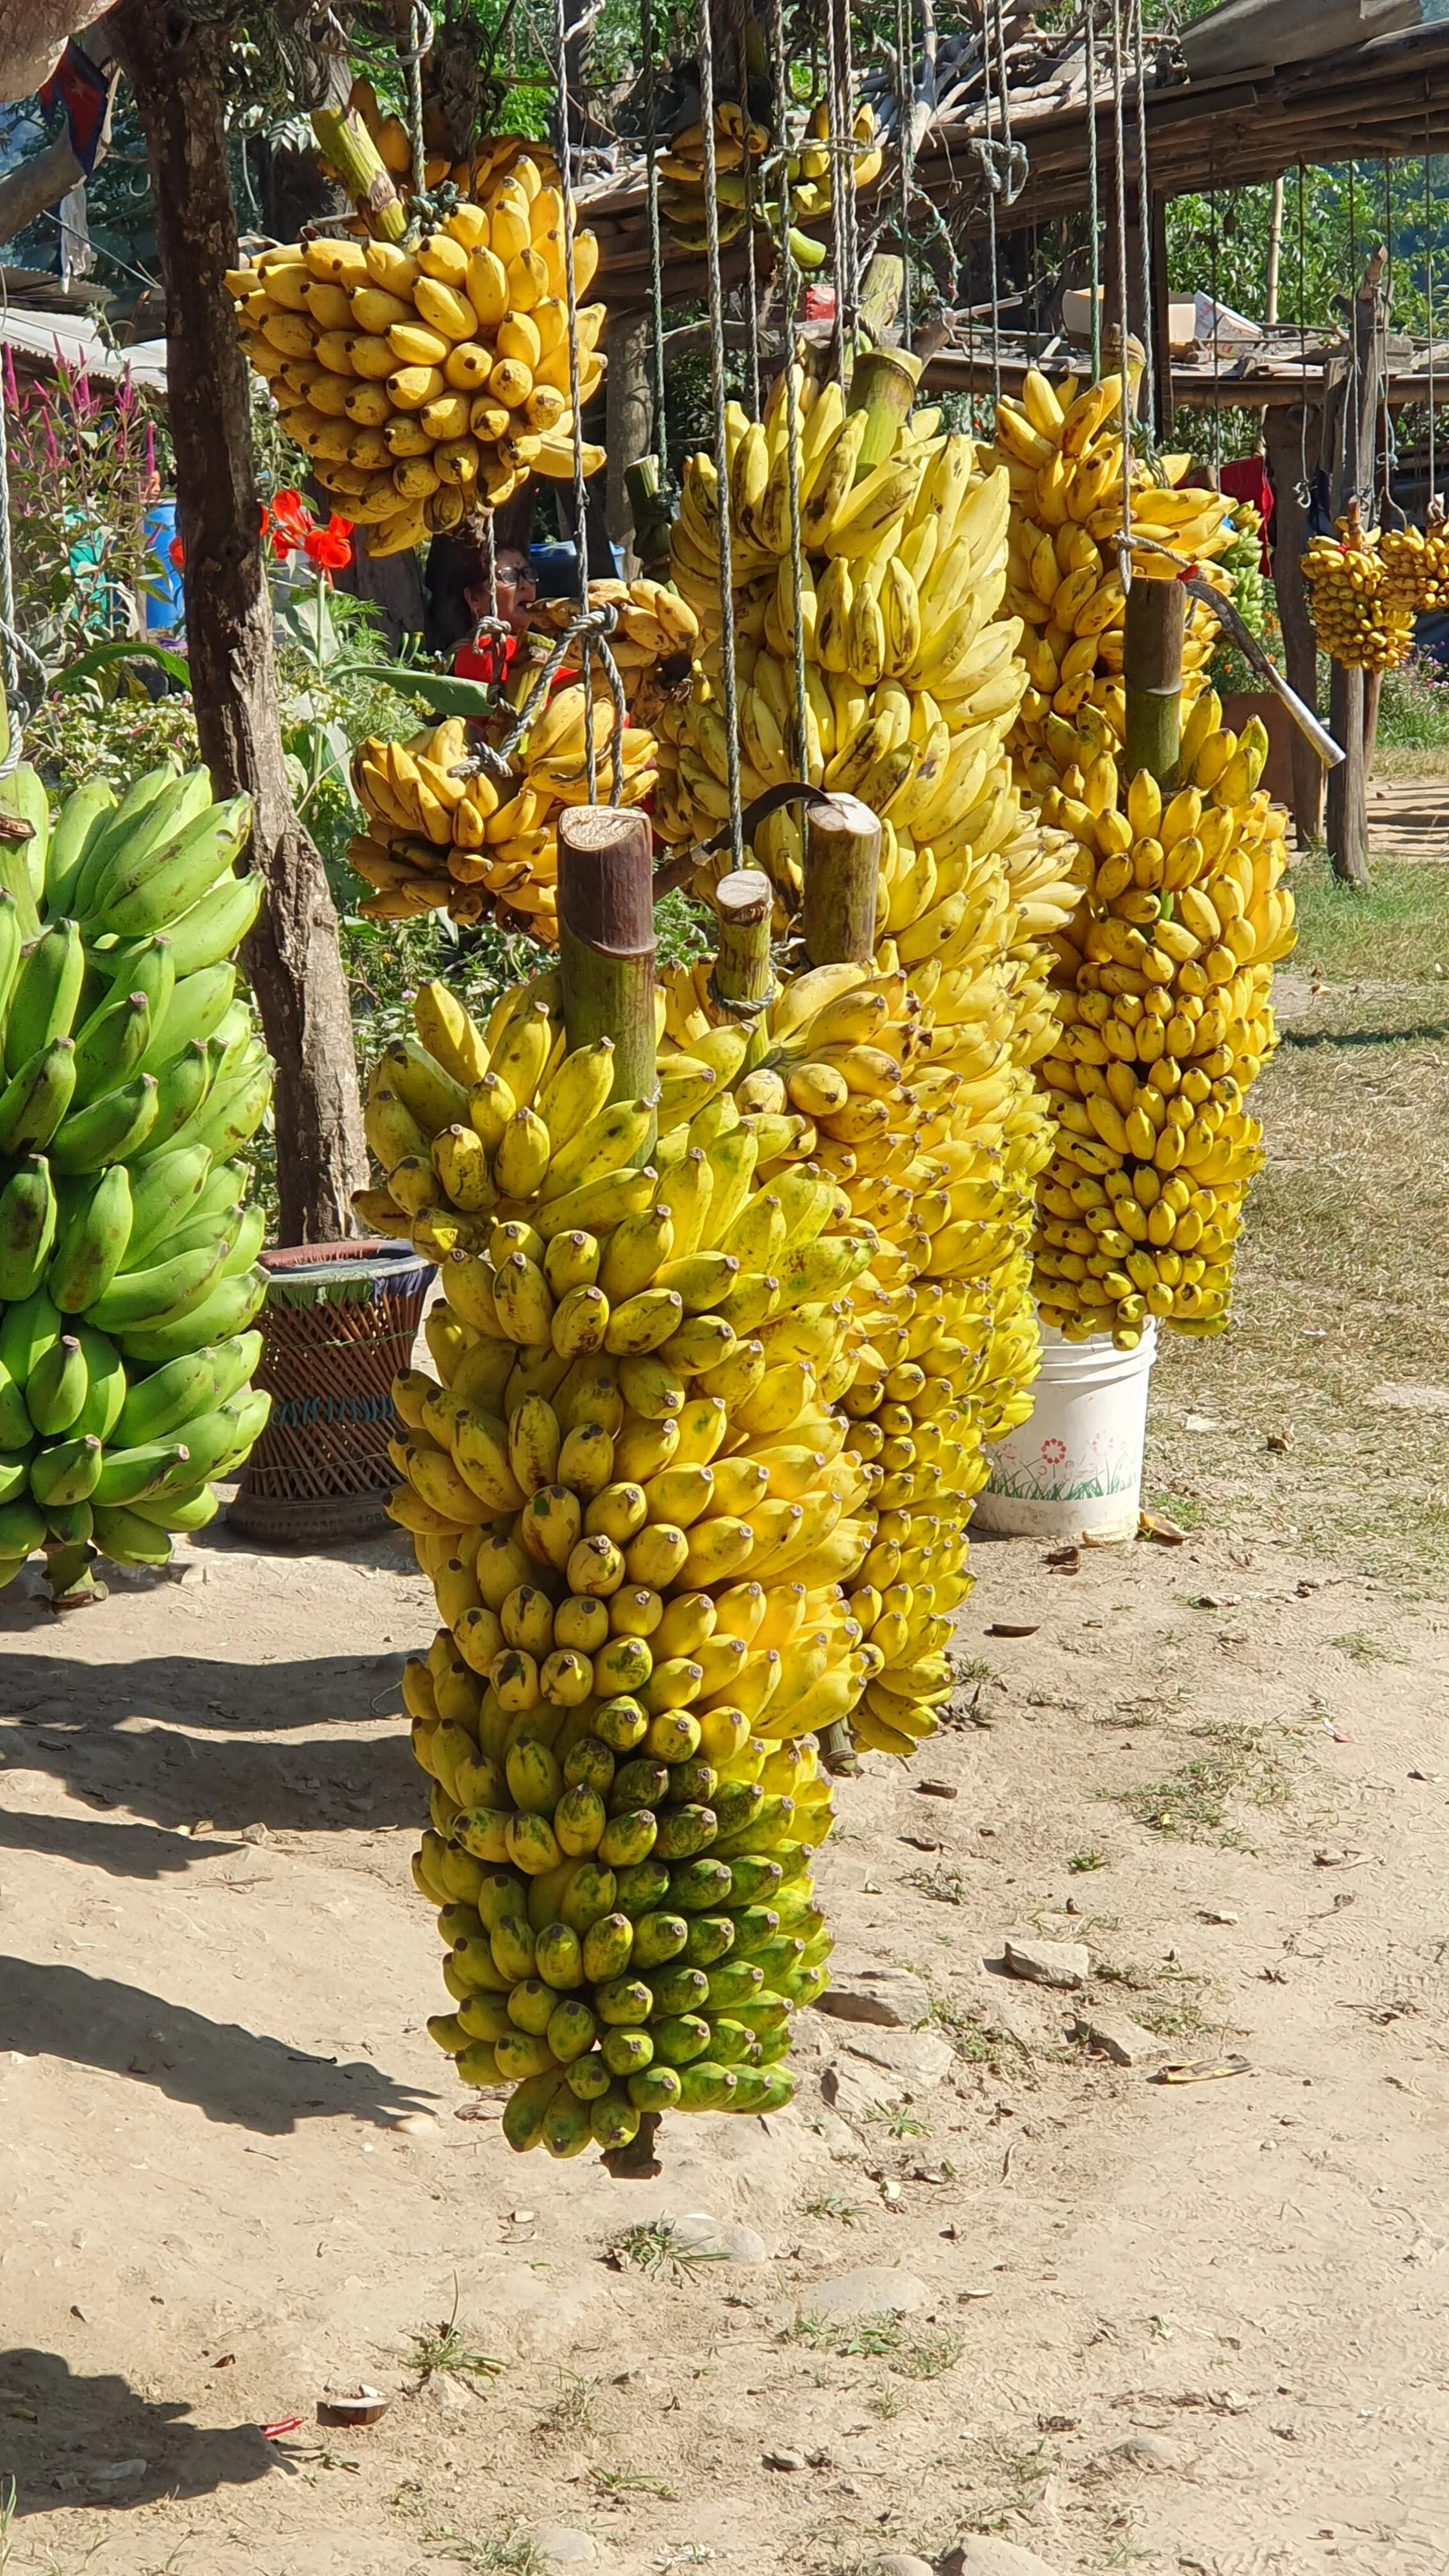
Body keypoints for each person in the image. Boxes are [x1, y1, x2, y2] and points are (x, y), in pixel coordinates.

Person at [451, 543, 537, 685]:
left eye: (527, 574)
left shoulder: (529, 645)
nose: (525, 585)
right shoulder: (484, 653)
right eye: (509, 576)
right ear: (474, 599)